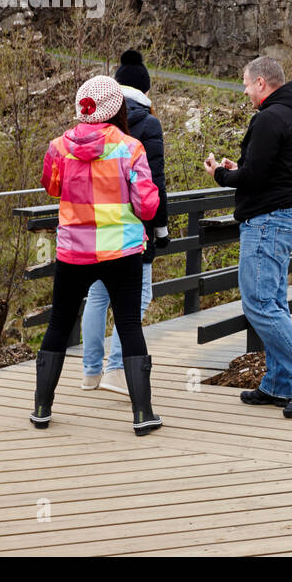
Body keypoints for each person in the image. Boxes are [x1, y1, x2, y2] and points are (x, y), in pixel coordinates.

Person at [31, 75, 163, 435]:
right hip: (120, 250)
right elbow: (148, 205)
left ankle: (42, 408)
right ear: (116, 107)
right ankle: (142, 414)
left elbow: (52, 187)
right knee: (129, 324)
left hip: (74, 250)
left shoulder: (58, 147)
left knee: (59, 323)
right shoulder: (130, 148)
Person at [205, 56, 292, 419]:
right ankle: (278, 383)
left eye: (245, 83)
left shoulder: (269, 118)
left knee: (259, 304)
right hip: (285, 214)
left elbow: (256, 177)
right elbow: (269, 169)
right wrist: (240, 169)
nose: (244, 91)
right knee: (274, 302)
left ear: (261, 82)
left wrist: (219, 175)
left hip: (267, 220)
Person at [78, 50, 170, 393]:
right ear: (145, 89)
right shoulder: (147, 123)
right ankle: (116, 368)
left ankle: (90, 372)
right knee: (139, 296)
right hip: (133, 225)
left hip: (95, 224)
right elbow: (155, 182)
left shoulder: (94, 122)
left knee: (98, 295)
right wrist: (160, 228)